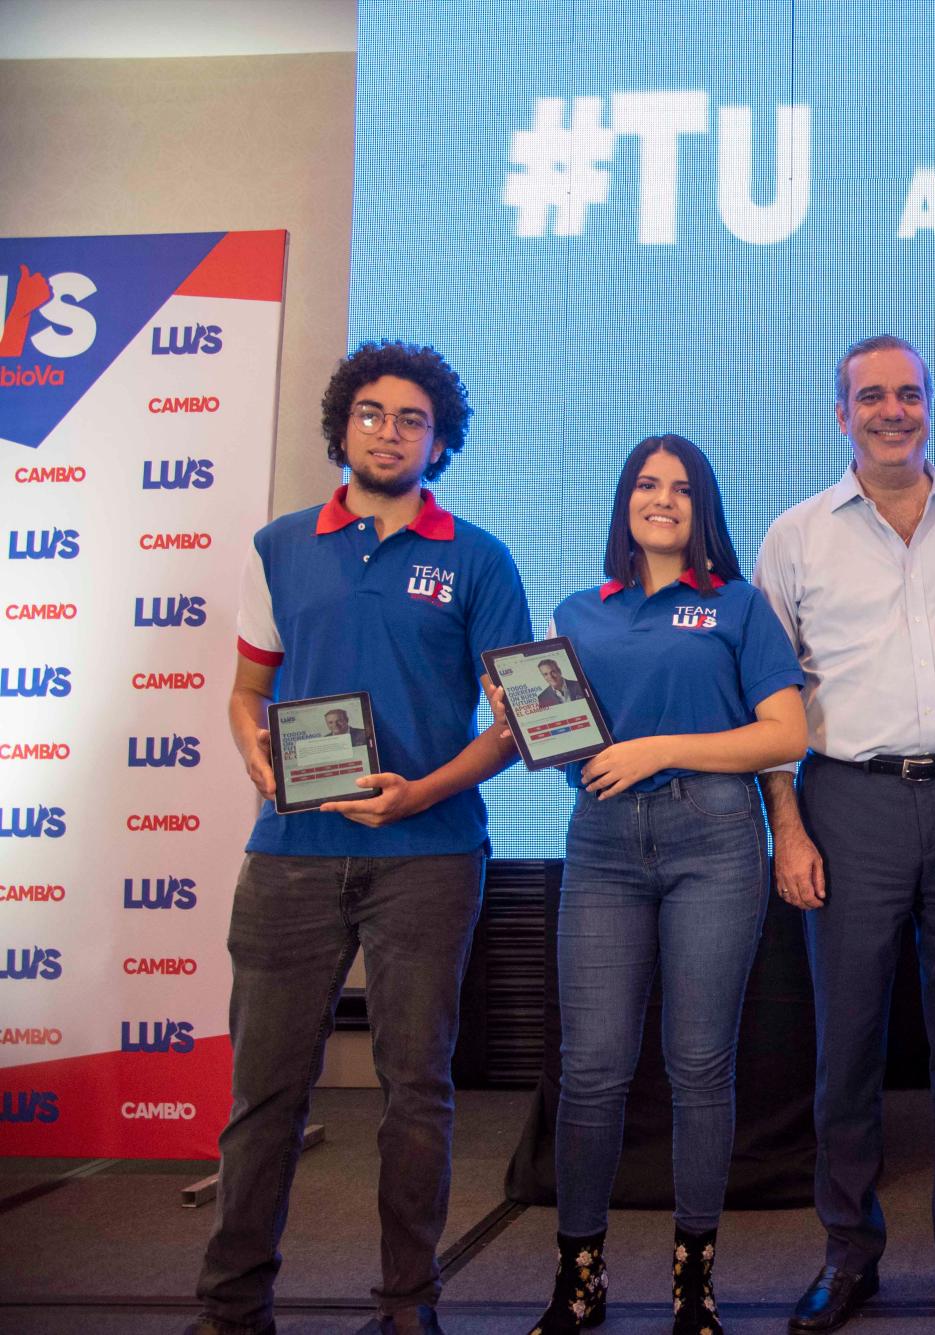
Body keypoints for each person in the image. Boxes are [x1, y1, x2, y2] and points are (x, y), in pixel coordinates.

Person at [193, 341, 532, 1335]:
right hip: (289, 859)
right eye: (373, 414)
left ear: (441, 440)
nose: (390, 432)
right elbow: (248, 690)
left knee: (415, 1092)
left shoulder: (478, 557)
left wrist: (423, 787)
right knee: (263, 1093)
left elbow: (521, 721)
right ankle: (228, 1307)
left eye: (413, 419)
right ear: (343, 425)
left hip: (429, 860)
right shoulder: (280, 545)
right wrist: (258, 759)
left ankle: (407, 1303)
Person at [753, 336, 935, 1333]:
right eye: (870, 397)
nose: (891, 410)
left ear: (929, 407)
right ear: (841, 416)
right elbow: (770, 699)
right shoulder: (793, 538)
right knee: (846, 1044)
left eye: (908, 393)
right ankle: (848, 1252)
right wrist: (786, 828)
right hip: (845, 803)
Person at [507, 435, 806, 1335]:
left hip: (714, 837)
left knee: (698, 1065)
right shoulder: (577, 611)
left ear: (702, 507)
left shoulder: (739, 608)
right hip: (601, 843)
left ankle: (693, 1285)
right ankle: (580, 1278)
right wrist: (521, 718)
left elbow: (784, 734)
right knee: (591, 1070)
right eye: (646, 483)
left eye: (681, 488)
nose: (663, 499)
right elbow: (555, 737)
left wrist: (662, 746)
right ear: (623, 500)